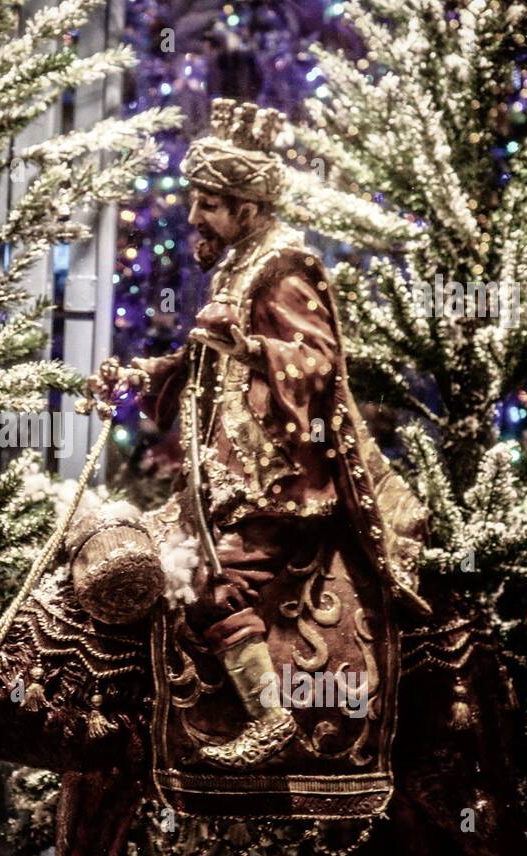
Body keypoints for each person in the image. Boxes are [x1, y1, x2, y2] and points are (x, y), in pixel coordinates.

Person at [96, 101, 425, 768]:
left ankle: (270, 719)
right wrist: (138, 377)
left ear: (249, 206)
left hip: (277, 487)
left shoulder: (285, 265)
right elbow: (203, 361)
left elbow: (317, 364)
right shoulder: (238, 264)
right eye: (196, 200)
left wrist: (249, 347)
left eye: (211, 203)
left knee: (207, 591)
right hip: (221, 479)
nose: (195, 218)